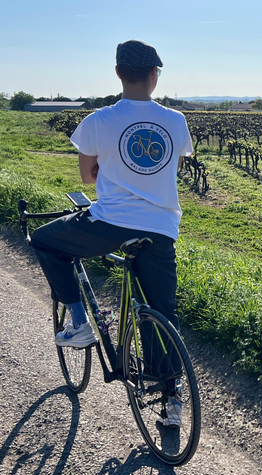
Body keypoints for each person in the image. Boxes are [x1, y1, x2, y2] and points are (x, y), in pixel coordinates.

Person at [31, 40, 193, 425]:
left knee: (44, 241)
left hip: (109, 223)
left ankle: (79, 321)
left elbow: (88, 176)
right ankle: (172, 401)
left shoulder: (97, 121)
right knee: (161, 312)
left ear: (118, 73)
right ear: (155, 76)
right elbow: (173, 166)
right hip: (161, 228)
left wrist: (112, 172)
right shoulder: (176, 121)